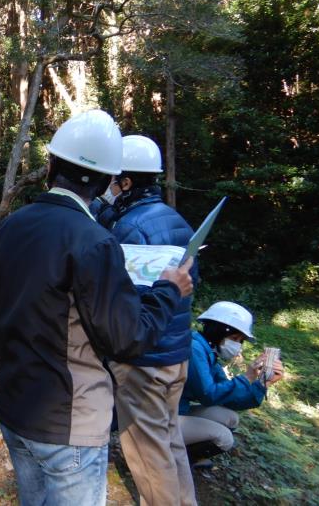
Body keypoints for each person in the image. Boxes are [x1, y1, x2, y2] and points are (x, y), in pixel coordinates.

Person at [0, 110, 195, 506]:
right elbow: (127, 339)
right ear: (106, 182)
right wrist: (168, 292)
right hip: (68, 421)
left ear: (50, 166)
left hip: (14, 406)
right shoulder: (94, 242)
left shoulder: (11, 225)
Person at [105, 135, 198, 506]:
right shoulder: (177, 221)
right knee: (170, 441)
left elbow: (123, 300)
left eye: (113, 180)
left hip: (145, 360)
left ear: (125, 183)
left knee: (147, 455)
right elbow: (188, 285)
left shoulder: (129, 230)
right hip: (176, 355)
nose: (107, 188)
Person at [179, 301, 283, 468]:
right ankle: (171, 459)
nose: (237, 345)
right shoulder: (194, 349)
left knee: (230, 418)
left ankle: (178, 451)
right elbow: (209, 395)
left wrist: (263, 383)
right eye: (234, 338)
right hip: (157, 416)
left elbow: (228, 398)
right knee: (224, 438)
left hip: (176, 409)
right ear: (217, 331)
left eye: (240, 340)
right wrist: (247, 376)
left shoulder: (209, 353)